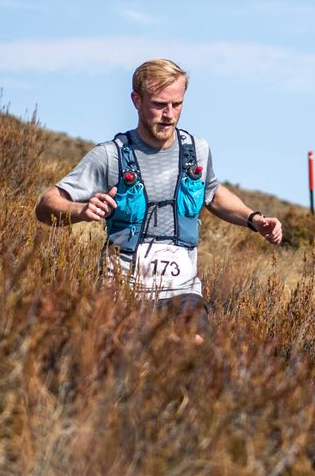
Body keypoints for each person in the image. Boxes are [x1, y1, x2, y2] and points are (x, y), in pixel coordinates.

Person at [35, 58, 283, 318]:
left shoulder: (197, 151)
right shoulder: (110, 156)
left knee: (195, 349)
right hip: (120, 292)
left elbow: (213, 194)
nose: (169, 115)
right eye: (159, 105)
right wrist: (81, 210)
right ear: (136, 100)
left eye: (177, 104)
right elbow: (46, 206)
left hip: (182, 292)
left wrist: (254, 219)